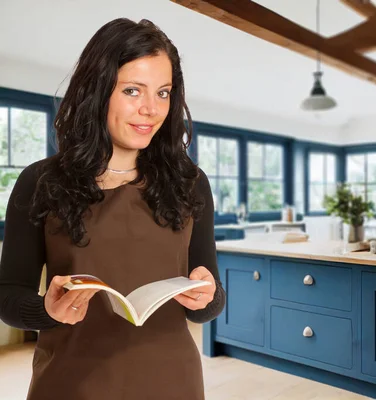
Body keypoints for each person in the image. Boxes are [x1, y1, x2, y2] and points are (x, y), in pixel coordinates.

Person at [0, 18, 225, 400]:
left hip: (173, 382)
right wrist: (47, 311)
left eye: (164, 92)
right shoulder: (41, 181)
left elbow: (209, 297)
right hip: (73, 383)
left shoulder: (191, 183)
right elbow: (7, 296)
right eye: (133, 90)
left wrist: (208, 298)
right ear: (98, 90)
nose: (151, 110)